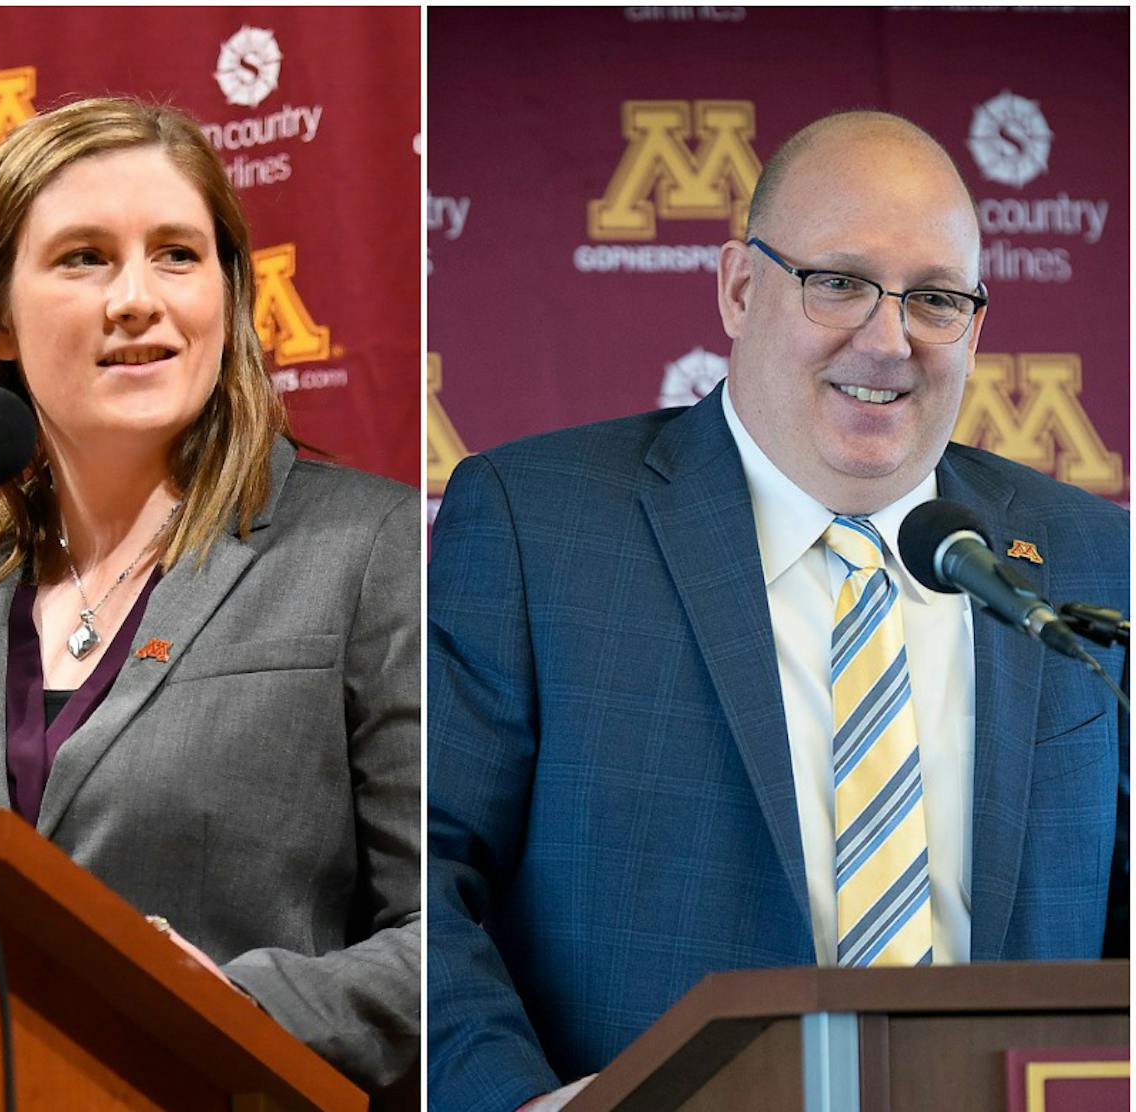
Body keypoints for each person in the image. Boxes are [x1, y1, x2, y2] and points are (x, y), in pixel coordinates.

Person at [427, 111, 1128, 1111]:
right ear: (739, 287)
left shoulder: (1085, 552)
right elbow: (417, 874)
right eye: (837, 281)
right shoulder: (539, 524)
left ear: (974, 327)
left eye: (932, 299)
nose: (885, 341)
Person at [0, 97, 419, 1101]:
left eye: (177, 255)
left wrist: (231, 1005)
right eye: (83, 258)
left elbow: (461, 935)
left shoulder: (364, 551)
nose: (137, 298)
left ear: (229, 296)